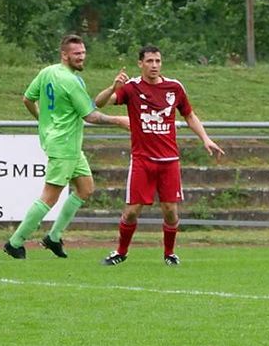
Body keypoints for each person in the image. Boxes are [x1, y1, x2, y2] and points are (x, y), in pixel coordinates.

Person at [93, 45, 224, 266]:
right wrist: (113, 87)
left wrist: (205, 138)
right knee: (132, 211)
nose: (154, 65)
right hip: (142, 160)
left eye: (158, 61)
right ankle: (121, 252)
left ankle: (169, 253)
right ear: (140, 63)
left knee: (170, 211)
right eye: (149, 61)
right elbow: (98, 103)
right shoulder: (132, 87)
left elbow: (189, 115)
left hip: (169, 161)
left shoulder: (174, 87)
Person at [3, 35, 130, 259]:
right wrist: (119, 120)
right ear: (64, 55)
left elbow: (27, 99)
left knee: (86, 188)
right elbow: (91, 115)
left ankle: (53, 237)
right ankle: (15, 242)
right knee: (49, 197)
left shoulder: (48, 72)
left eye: (83, 52)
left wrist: (43, 121)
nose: (82, 57)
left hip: (65, 144)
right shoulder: (71, 82)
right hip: (64, 145)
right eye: (76, 54)